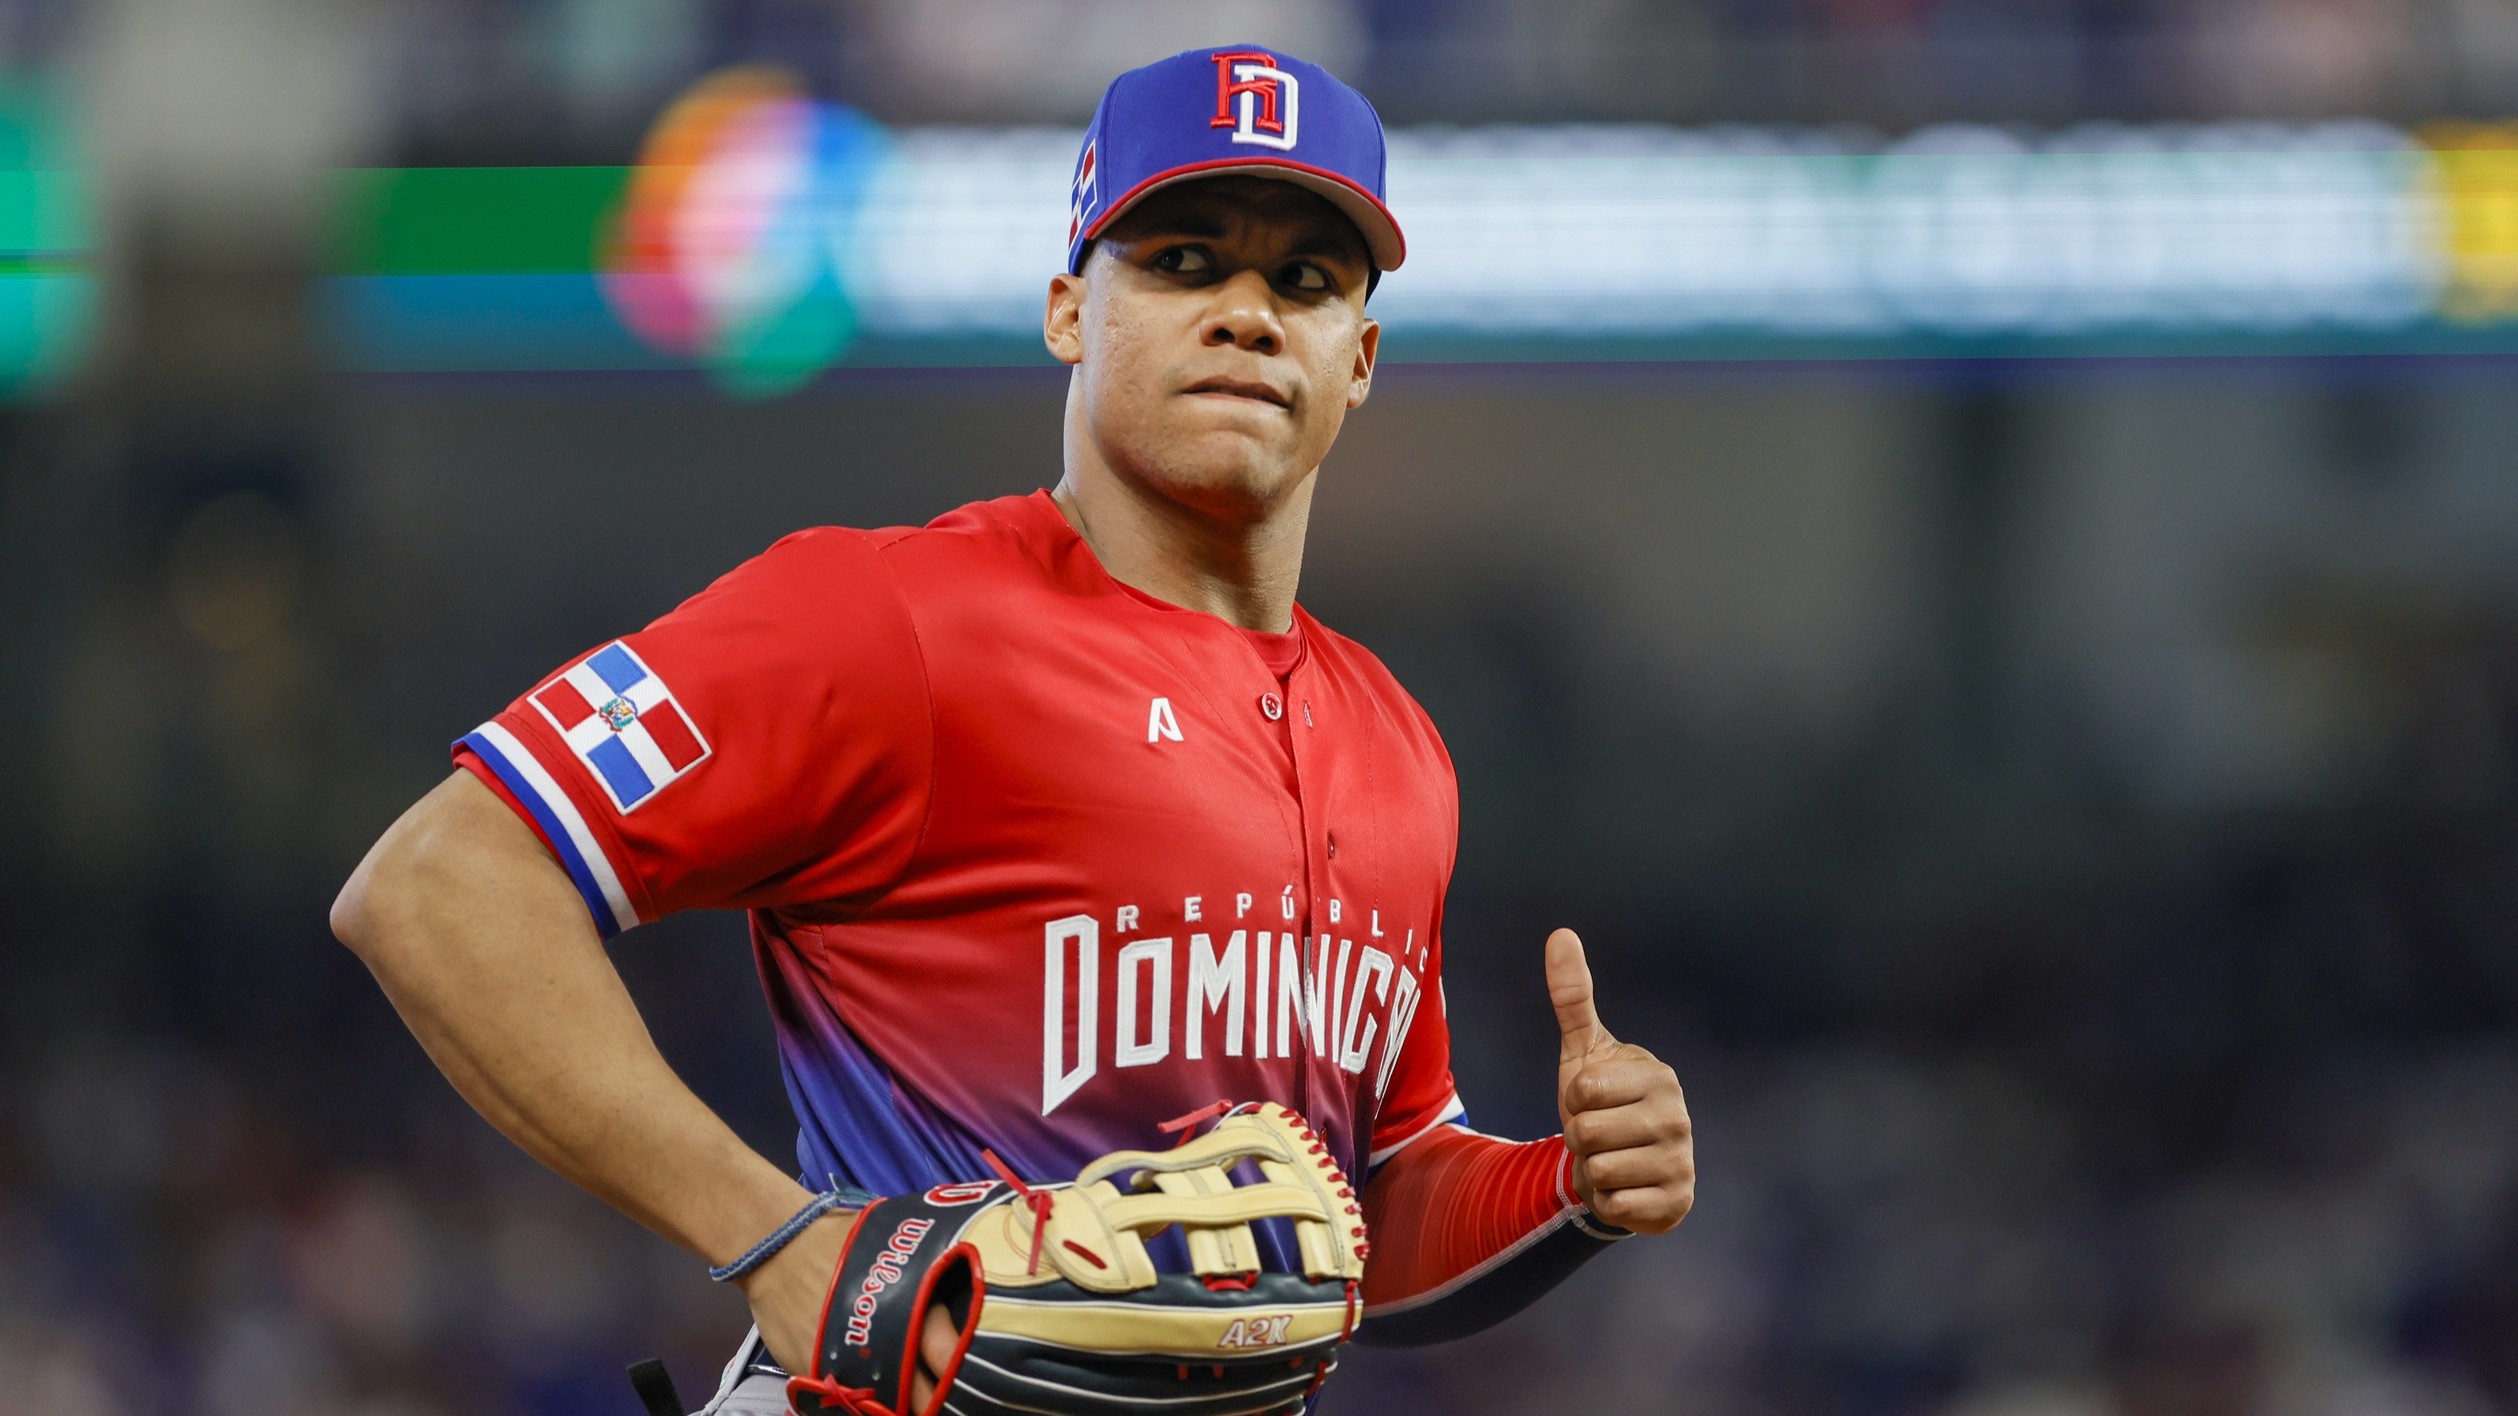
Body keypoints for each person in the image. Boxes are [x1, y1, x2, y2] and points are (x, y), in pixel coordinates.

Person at [330, 44, 1694, 1415]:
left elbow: (1344, 1226)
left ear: (1360, 361)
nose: (1246, 313)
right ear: (1068, 313)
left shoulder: (1400, 748)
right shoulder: (886, 622)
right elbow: (439, 884)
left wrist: (1569, 1187)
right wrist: (773, 1235)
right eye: (1183, 261)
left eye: (1304, 280)